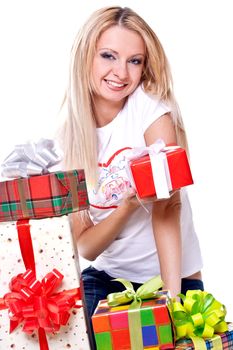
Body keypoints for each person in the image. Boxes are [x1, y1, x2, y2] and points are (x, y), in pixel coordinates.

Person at [59, 5, 204, 345]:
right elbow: (87, 246)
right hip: (109, 279)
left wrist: (171, 298)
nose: (120, 73)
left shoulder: (151, 112)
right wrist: (127, 206)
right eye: (108, 56)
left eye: (134, 60)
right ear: (86, 57)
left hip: (173, 277)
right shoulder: (66, 141)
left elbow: (168, 208)